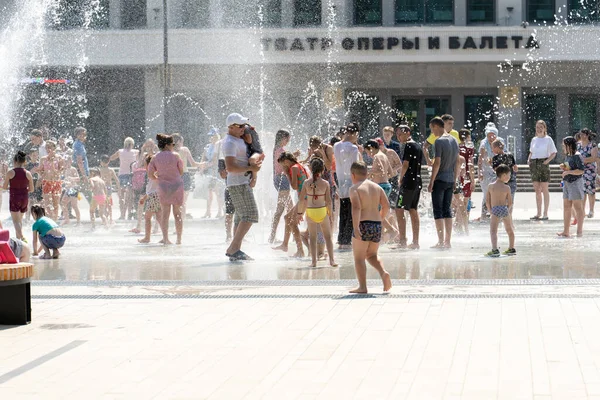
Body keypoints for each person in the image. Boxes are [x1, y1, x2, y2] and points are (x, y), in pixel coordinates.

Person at [348, 161, 392, 294]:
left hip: (363, 224)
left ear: (353, 175)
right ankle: (383, 272)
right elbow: (386, 206)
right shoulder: (377, 187)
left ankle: (362, 287)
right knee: (372, 254)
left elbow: (356, 207)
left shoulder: (355, 189)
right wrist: (380, 218)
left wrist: (356, 228)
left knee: (359, 257)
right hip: (376, 224)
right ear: (367, 173)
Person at [222, 114, 262, 260]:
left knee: (240, 218)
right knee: (251, 215)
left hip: (242, 182)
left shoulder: (239, 139)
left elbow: (249, 155)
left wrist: (250, 143)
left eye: (244, 125)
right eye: (240, 126)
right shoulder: (229, 142)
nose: (243, 128)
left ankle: (235, 250)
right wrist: (251, 169)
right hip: (237, 183)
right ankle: (233, 248)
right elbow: (231, 167)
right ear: (231, 127)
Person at [296, 158, 337, 267]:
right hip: (322, 211)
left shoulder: (306, 182)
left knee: (313, 238)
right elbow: (328, 201)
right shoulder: (325, 183)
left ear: (311, 169)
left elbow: (301, 200)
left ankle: (313, 262)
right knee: (327, 237)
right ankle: (332, 261)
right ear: (322, 170)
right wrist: (331, 215)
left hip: (310, 212)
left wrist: (300, 213)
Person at [427, 117, 460, 249]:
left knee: (438, 210)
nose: (432, 132)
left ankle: (440, 241)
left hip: (440, 179)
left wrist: (431, 182)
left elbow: (437, 163)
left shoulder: (439, 141)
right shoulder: (454, 140)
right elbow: (457, 162)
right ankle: (448, 241)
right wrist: (455, 180)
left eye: (431, 129)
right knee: (447, 210)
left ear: (436, 126)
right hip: (450, 179)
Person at [148, 134, 185, 245]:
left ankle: (165, 239)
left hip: (163, 187)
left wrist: (159, 179)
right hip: (177, 186)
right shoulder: (176, 156)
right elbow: (181, 171)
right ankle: (178, 239)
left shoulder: (155, 157)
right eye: (173, 144)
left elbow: (150, 175)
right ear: (168, 145)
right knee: (177, 213)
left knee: (165, 214)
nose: (174, 146)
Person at [272, 152, 308, 257]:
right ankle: (285, 245)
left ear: (287, 161)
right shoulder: (299, 165)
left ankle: (300, 251)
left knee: (292, 223)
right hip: (305, 198)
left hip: (304, 199)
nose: (283, 167)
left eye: (283, 165)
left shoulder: (293, 168)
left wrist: (287, 173)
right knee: (287, 218)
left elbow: (295, 187)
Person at [364, 139, 398, 241]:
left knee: (375, 212)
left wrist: (370, 173)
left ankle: (391, 230)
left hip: (380, 187)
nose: (368, 154)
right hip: (386, 185)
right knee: (378, 212)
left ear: (372, 148)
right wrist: (380, 177)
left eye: (367, 151)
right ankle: (387, 231)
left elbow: (381, 170)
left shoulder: (377, 156)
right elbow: (391, 173)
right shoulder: (384, 156)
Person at [395, 125, 422, 249]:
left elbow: (405, 164)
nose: (398, 136)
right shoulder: (417, 145)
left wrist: (400, 178)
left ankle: (402, 240)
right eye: (397, 134)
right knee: (412, 210)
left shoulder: (409, 145)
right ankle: (415, 242)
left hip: (408, 182)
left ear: (407, 133)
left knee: (399, 209)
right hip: (417, 181)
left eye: (400, 134)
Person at [333, 123, 360, 250]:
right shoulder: (354, 149)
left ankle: (341, 238)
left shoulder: (336, 145)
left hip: (340, 180)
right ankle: (347, 240)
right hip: (351, 180)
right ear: (355, 134)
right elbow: (355, 167)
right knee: (350, 211)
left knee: (343, 210)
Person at [529, 120, 557, 220]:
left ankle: (545, 213)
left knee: (544, 188)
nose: (539, 129)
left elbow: (554, 153)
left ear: (544, 128)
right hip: (534, 163)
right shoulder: (534, 139)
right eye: (537, 127)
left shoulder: (548, 139)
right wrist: (529, 160)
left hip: (543, 162)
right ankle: (538, 212)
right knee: (537, 189)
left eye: (541, 127)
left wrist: (547, 161)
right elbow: (531, 152)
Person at [485, 164, 516, 257]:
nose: (510, 177)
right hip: (504, 208)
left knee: (493, 231)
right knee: (509, 230)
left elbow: (487, 201)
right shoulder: (507, 187)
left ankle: (494, 249)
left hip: (495, 209)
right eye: (509, 175)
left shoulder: (491, 186)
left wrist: (490, 211)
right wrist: (508, 212)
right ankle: (511, 248)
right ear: (504, 176)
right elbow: (510, 203)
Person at [269, 130, 294, 243]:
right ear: (283, 138)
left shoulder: (276, 149)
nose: (288, 141)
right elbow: (285, 167)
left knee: (289, 208)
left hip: (277, 179)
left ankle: (274, 236)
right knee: (283, 209)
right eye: (288, 139)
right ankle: (274, 236)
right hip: (282, 180)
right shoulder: (281, 150)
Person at [3, 151, 34, 240]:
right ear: (24, 162)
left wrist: (11, 188)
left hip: (14, 197)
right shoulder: (28, 173)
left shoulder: (10, 172)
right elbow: (32, 189)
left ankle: (22, 237)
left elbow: (4, 187)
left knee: (16, 221)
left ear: (14, 161)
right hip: (24, 198)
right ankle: (19, 241)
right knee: (19, 221)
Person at [558, 136, 585, 238]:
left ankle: (579, 231)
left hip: (576, 183)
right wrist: (564, 167)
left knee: (578, 207)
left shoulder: (577, 155)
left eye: (564, 144)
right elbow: (571, 167)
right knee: (566, 206)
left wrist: (568, 171)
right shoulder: (568, 155)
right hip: (567, 183)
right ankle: (566, 231)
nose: (562, 146)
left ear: (569, 145)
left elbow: (581, 170)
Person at [477, 123, 504, 221]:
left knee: (497, 192)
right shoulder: (484, 144)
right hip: (485, 171)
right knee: (486, 193)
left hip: (496, 171)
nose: (491, 137)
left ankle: (496, 214)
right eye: (489, 135)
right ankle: (484, 214)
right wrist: (480, 171)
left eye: (493, 135)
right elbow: (480, 159)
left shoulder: (500, 142)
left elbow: (503, 155)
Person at [173, 133, 202, 219]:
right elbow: (193, 164)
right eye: (182, 141)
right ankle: (182, 224)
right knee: (183, 202)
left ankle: (177, 223)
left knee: (175, 203)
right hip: (184, 176)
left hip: (173, 177)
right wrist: (203, 164)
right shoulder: (185, 149)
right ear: (179, 141)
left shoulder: (169, 151)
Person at [109, 137, 139, 220]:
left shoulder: (120, 151)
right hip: (132, 175)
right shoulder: (136, 152)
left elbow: (110, 158)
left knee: (121, 196)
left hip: (122, 175)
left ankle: (122, 215)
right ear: (132, 144)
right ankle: (129, 214)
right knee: (129, 196)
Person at [37, 140, 65, 220]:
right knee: (47, 205)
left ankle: (54, 222)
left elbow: (61, 172)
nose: (48, 149)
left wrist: (53, 166)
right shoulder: (43, 159)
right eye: (46, 148)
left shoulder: (59, 158)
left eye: (50, 147)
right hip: (46, 183)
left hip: (56, 183)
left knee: (56, 205)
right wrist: (40, 172)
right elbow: (41, 171)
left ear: (54, 148)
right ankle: (49, 221)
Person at [138, 155, 162, 244]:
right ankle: (165, 237)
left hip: (154, 197)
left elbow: (153, 190)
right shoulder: (154, 173)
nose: (144, 166)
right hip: (157, 196)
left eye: (145, 164)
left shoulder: (152, 173)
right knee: (159, 218)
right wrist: (144, 198)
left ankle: (147, 238)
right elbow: (151, 188)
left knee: (147, 217)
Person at [576, 128, 597, 218]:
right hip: (580, 170)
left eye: (583, 134)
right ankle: (582, 210)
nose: (581, 136)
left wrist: (582, 160)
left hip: (590, 170)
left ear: (587, 135)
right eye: (580, 134)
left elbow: (593, 158)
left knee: (591, 190)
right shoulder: (577, 145)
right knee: (582, 191)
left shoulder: (592, 145)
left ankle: (591, 210)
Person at [491, 139, 518, 207]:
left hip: (501, 182)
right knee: (510, 200)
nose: (492, 150)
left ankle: (503, 215)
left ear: (497, 148)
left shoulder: (495, 158)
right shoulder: (510, 155)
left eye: (492, 148)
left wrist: (490, 164)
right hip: (511, 180)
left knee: (501, 200)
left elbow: (496, 170)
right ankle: (509, 216)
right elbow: (515, 168)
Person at [458, 129, 475, 232]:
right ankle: (465, 228)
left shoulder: (457, 147)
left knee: (459, 202)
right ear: (467, 137)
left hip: (458, 176)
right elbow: (471, 165)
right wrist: (473, 180)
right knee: (465, 202)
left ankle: (458, 225)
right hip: (467, 177)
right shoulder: (469, 149)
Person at [72, 127, 91, 204]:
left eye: (84, 134)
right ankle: (96, 209)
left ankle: (67, 209)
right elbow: (79, 161)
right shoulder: (78, 145)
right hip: (80, 171)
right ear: (76, 135)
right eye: (81, 134)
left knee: (75, 190)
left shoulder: (79, 144)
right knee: (87, 190)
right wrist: (84, 175)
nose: (83, 136)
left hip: (81, 171)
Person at [99, 154, 120, 224]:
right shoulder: (111, 170)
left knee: (102, 204)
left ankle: (104, 218)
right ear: (108, 162)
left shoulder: (99, 170)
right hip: (108, 188)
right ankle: (110, 219)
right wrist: (118, 188)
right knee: (109, 204)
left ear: (101, 162)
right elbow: (116, 180)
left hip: (101, 188)